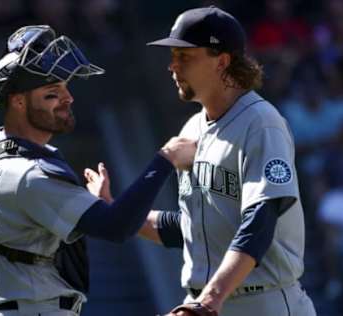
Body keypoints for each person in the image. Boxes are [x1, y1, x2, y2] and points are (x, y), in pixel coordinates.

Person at [85, 7, 316, 316]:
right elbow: (190, 228)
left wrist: (208, 301)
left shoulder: (261, 123)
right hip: (206, 303)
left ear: (222, 61)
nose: (172, 67)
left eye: (185, 57)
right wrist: (116, 208)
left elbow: (260, 224)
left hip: (261, 302)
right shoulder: (193, 129)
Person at [0, 25, 196, 316]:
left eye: (66, 88)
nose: (68, 98)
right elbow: (116, 227)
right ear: (18, 101)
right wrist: (165, 159)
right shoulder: (27, 174)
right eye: (52, 93)